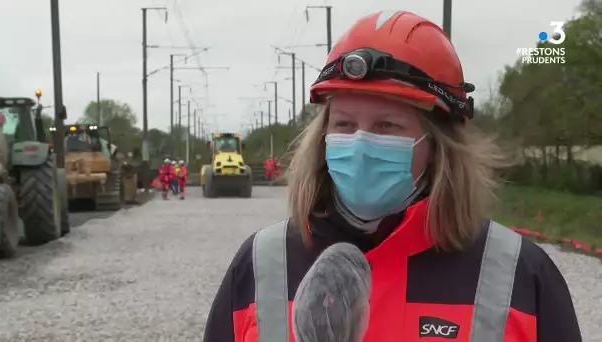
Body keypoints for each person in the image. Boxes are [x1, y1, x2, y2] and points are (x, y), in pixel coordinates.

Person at [203, 10, 581, 342]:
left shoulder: (518, 277)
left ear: (437, 145)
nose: (360, 143)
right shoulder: (262, 265)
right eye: (345, 124)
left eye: (387, 125)